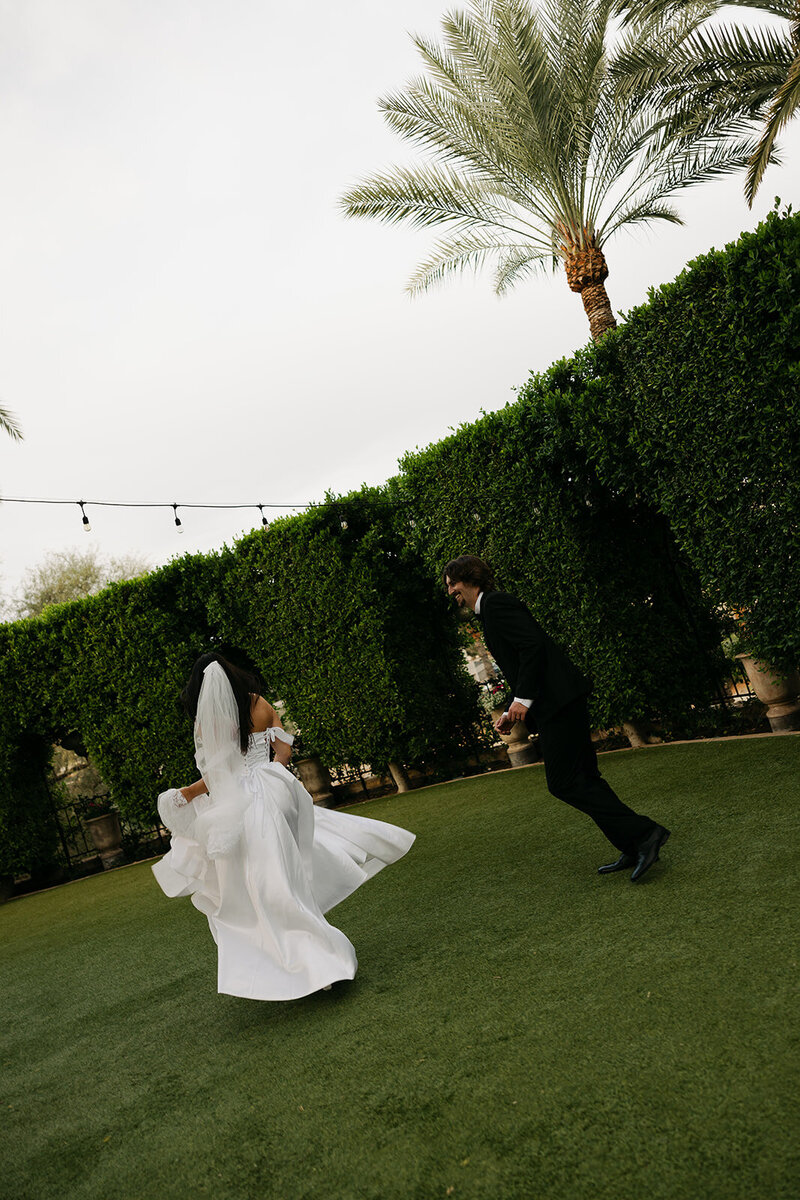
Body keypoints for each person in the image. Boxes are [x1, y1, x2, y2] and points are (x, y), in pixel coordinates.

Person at [152, 652, 415, 1000]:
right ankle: (311, 955)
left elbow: (219, 775)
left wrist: (187, 793)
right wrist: (273, 770)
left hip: (242, 807)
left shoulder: (208, 720)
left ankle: (304, 960)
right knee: (287, 872)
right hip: (275, 792)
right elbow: (284, 746)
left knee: (262, 886)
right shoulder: (259, 702)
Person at [442, 556, 670, 882]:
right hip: (560, 702)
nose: (450, 591)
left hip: (560, 704)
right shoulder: (489, 610)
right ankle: (633, 844)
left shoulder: (495, 604)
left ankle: (646, 833)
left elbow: (534, 646)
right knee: (587, 778)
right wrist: (512, 708)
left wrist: (524, 700)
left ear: (469, 578)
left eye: (452, 583)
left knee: (563, 782)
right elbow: (523, 660)